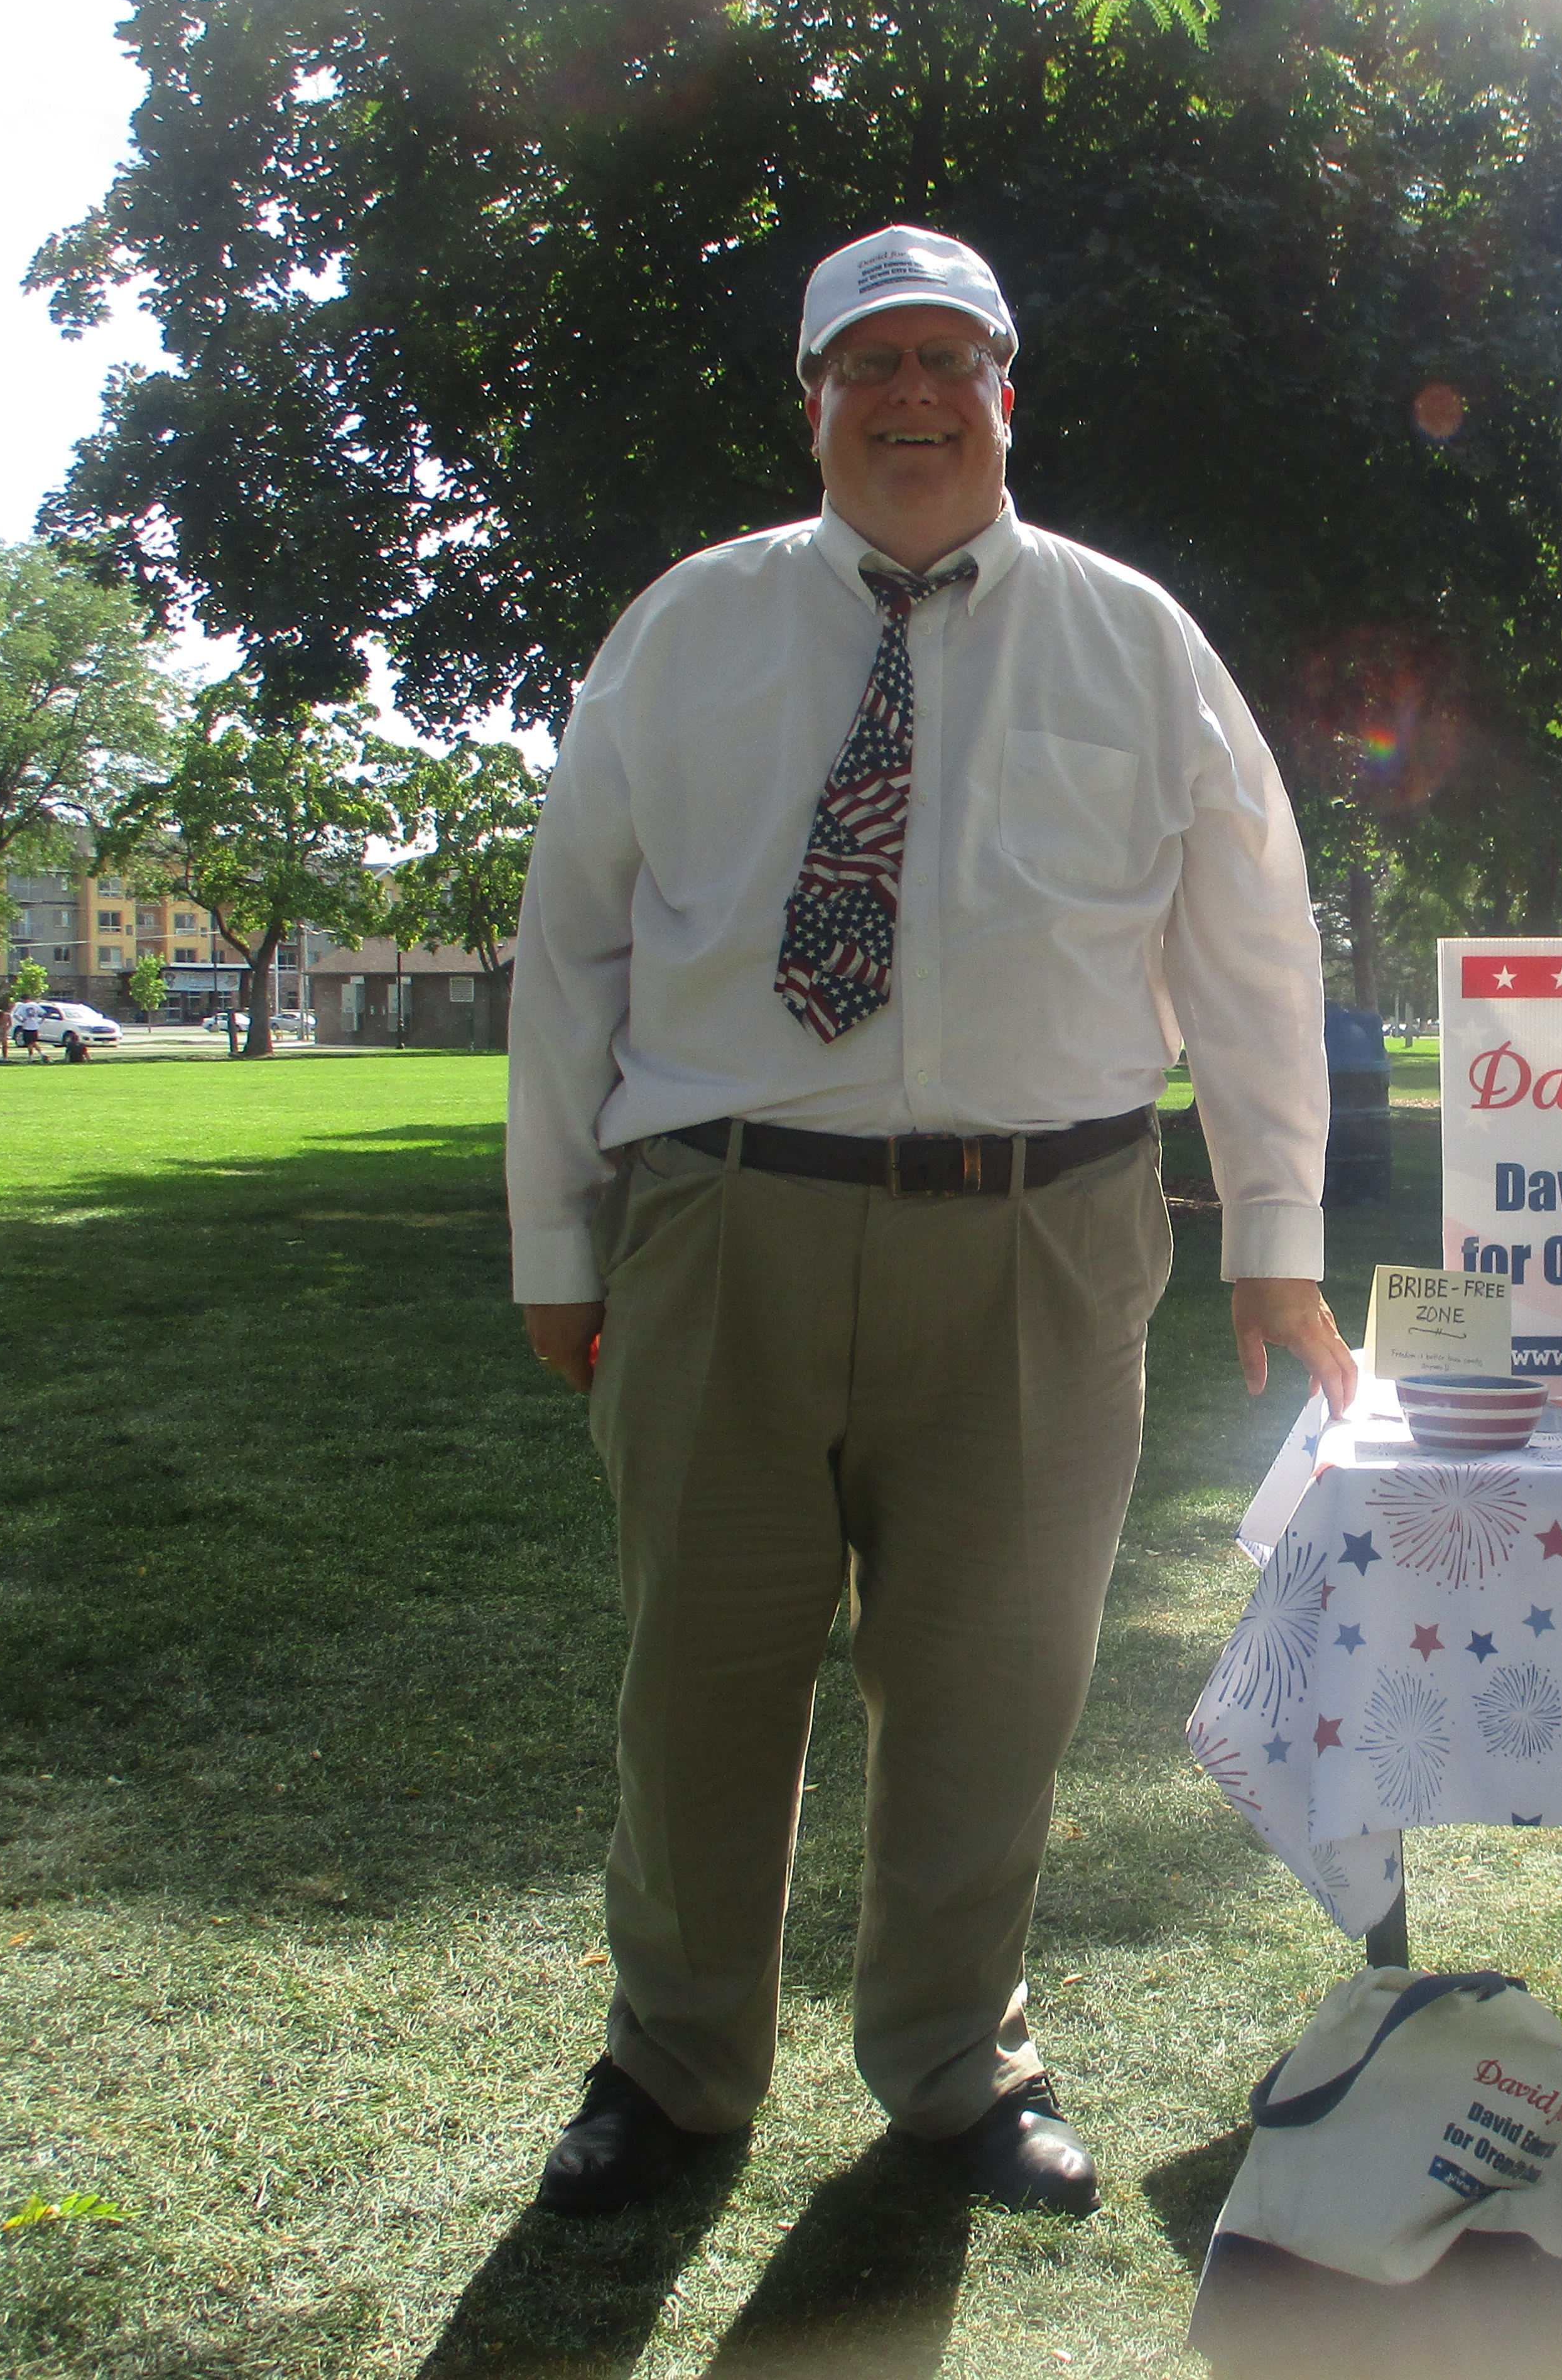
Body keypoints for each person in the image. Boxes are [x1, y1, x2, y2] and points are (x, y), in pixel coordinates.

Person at [505, 225, 1357, 2222]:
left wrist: (1274, 1223)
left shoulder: (1131, 637)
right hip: (726, 1229)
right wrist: (559, 1242)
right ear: (809, 401)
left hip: (1043, 1239)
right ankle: (673, 2063)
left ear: (1005, 393)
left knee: (995, 1685)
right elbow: (573, 943)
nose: (910, 396)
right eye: (868, 362)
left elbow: (1245, 939)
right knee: (698, 1686)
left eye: (949, 361)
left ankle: (959, 2060)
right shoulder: (687, 628)